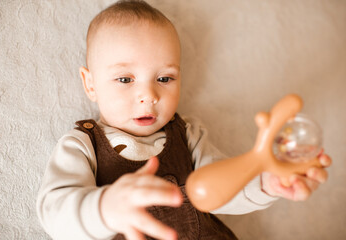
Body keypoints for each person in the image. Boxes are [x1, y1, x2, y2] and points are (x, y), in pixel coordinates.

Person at [36, 1, 332, 239]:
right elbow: (54, 211)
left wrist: (266, 182)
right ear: (90, 84)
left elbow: (219, 190)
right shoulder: (82, 146)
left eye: (164, 78)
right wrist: (104, 209)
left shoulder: (188, 135)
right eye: (125, 79)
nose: (148, 95)